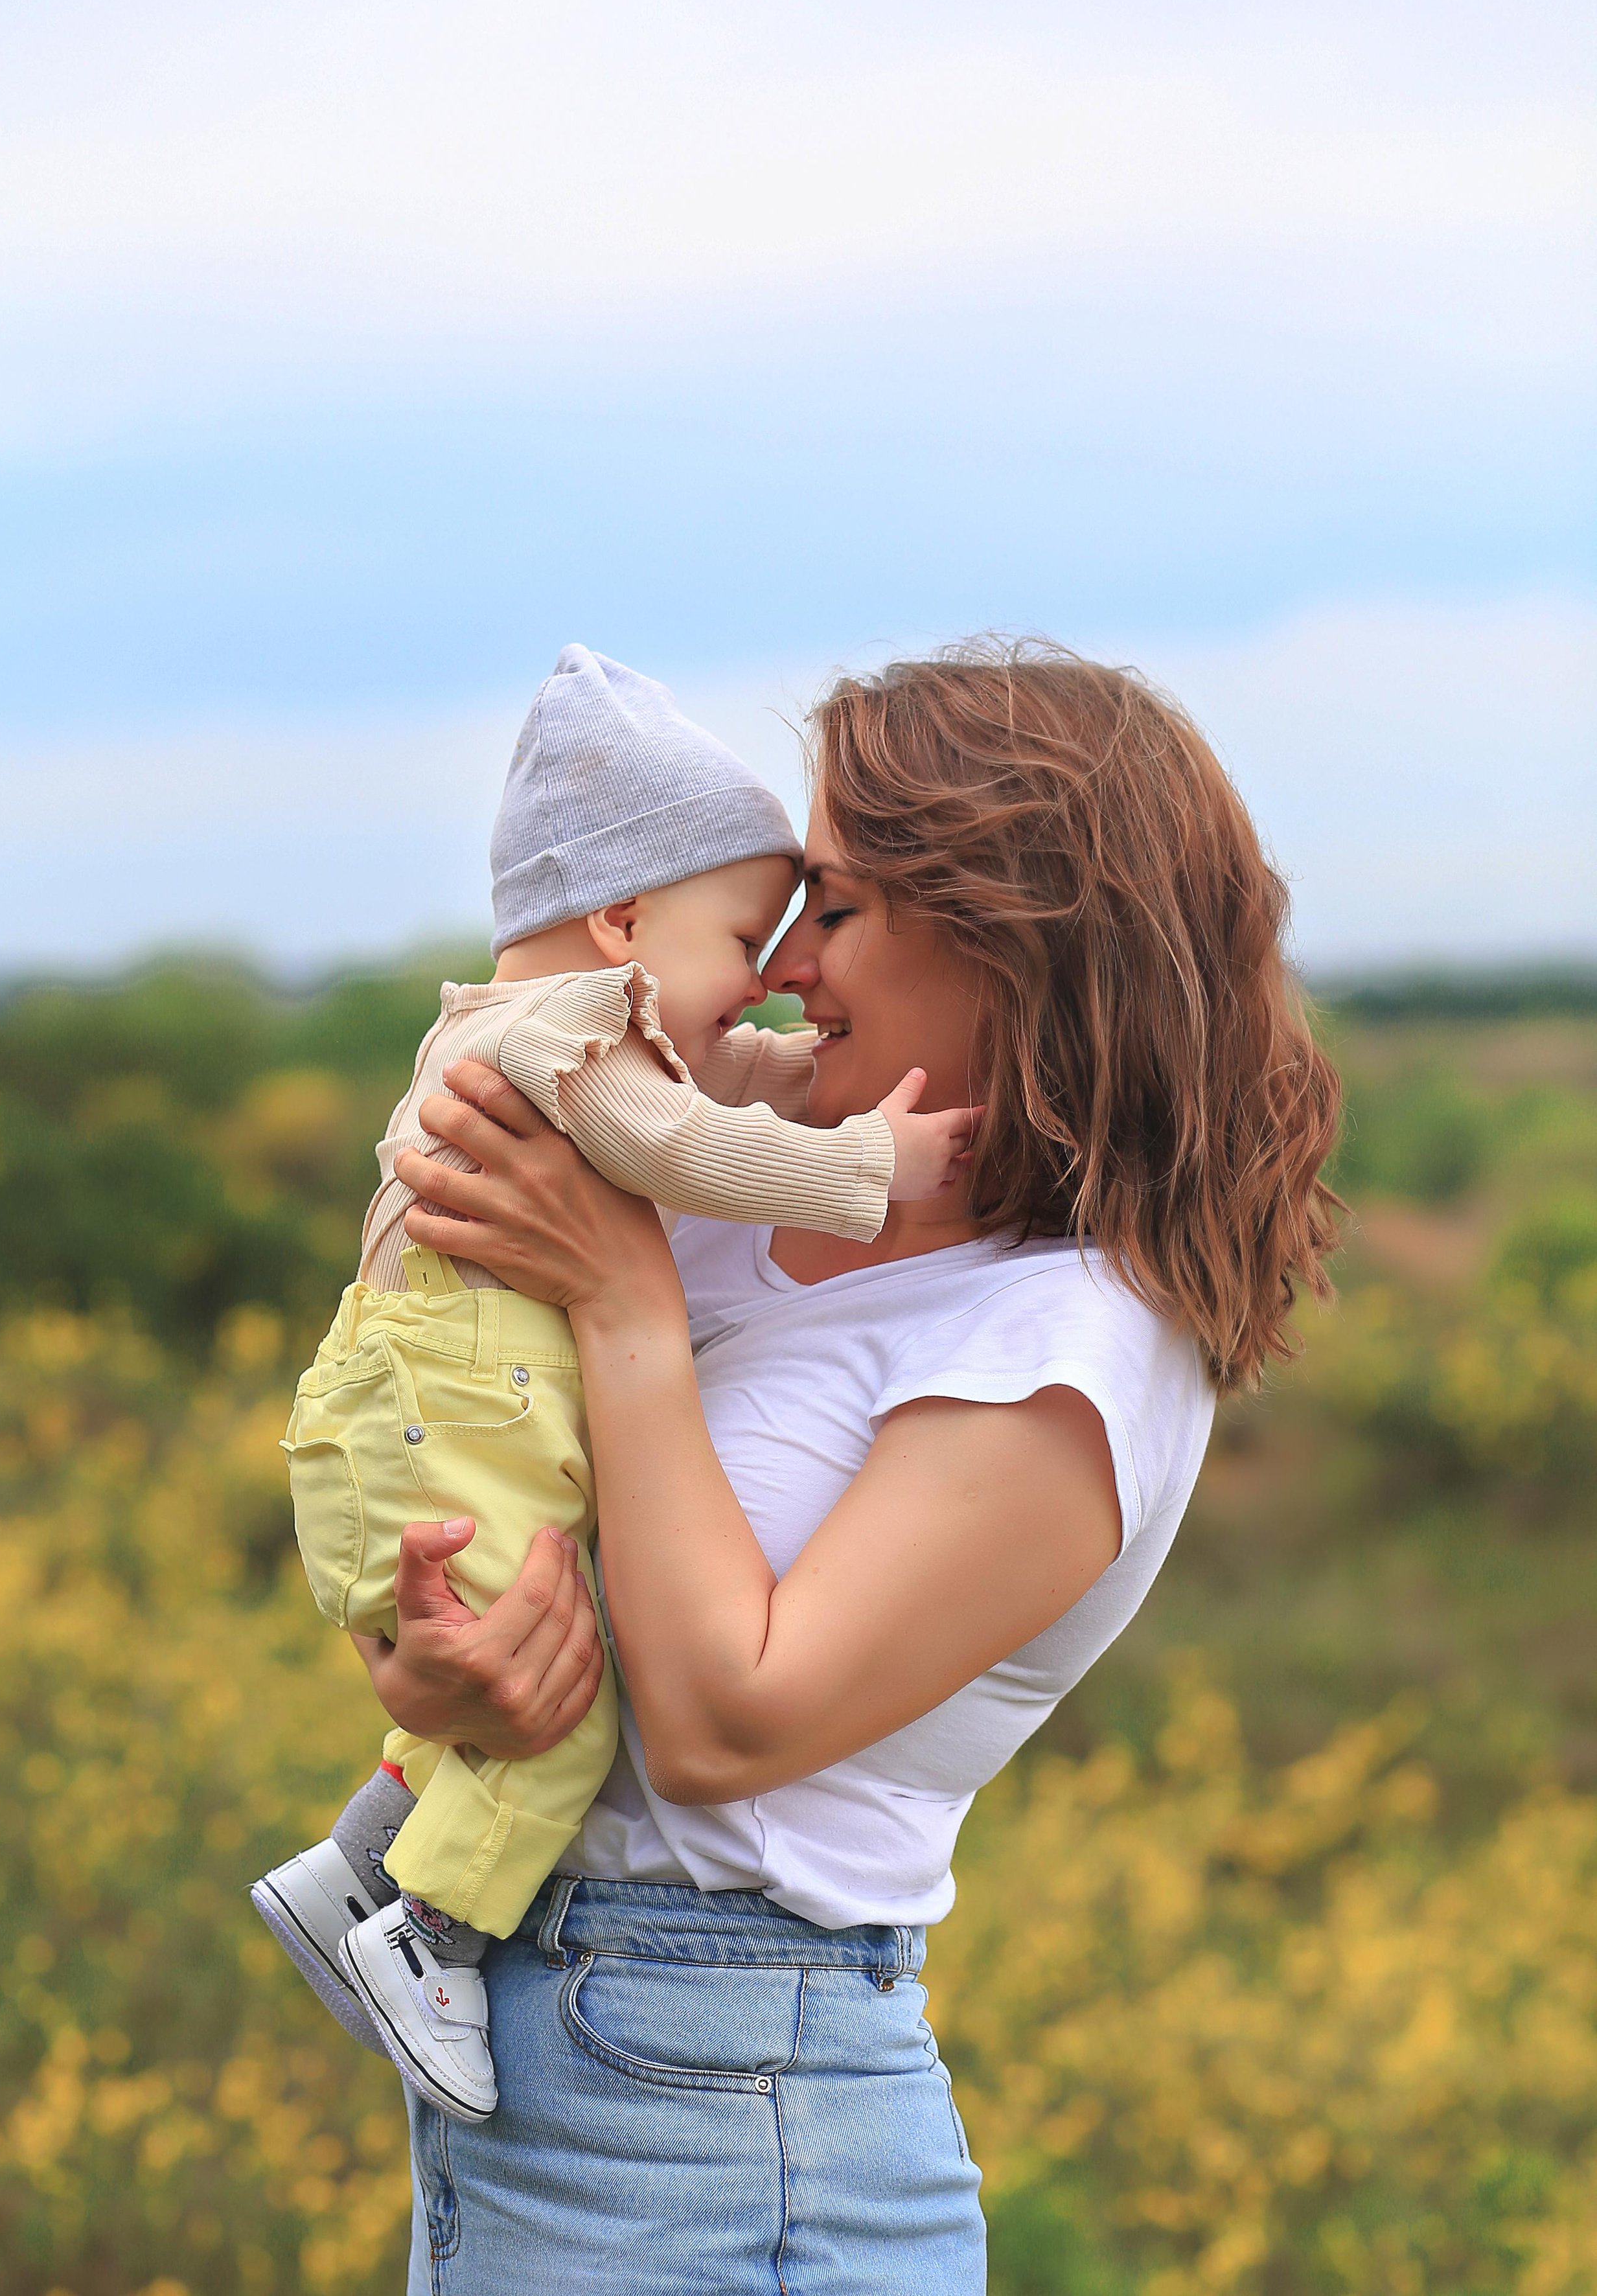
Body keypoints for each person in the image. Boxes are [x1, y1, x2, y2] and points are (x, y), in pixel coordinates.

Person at [352, 639, 1344, 2295]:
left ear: (1015, 944)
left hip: (728, 2106)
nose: (788, 959)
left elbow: (731, 1718)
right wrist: (435, 1648)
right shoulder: (748, 1195)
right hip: (524, 2056)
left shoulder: (1075, 1339)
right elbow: (506, 1473)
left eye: (841, 903)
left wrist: (620, 1299)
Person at [249, 646, 976, 2122]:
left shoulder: (547, 1034)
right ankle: (426, 1933)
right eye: (743, 935)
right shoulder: (559, 1039)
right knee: (568, 1701)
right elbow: (693, 1143)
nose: (765, 978)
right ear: (621, 918)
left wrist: (796, 1088)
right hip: (449, 1395)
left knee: (541, 1632)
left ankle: (359, 1866)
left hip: (426, 1399)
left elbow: (714, 1094)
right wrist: (869, 1167)